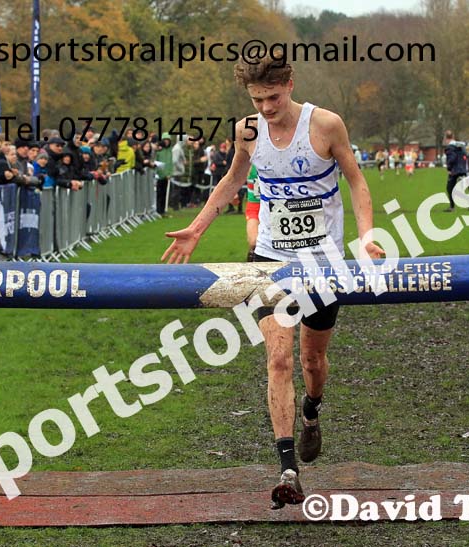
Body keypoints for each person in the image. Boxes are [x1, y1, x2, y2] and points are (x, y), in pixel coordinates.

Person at [160, 53, 384, 509]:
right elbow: (230, 182)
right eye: (257, 99)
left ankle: (312, 412)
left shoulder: (325, 125)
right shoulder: (247, 131)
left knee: (311, 364)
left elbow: (357, 182)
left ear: (291, 84)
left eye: (273, 97)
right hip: (270, 259)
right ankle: (287, 468)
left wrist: (366, 238)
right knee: (278, 360)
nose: (265, 108)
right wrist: (196, 229)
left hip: (322, 260)